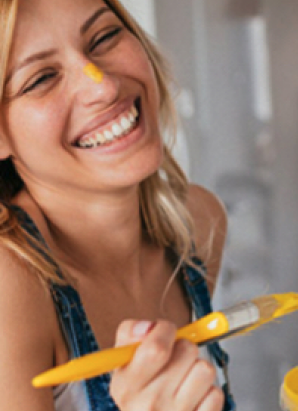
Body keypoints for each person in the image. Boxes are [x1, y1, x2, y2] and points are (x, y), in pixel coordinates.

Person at [0, 0, 236, 410]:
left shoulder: (199, 223)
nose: (104, 86)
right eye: (40, 78)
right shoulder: (10, 285)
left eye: (105, 36)